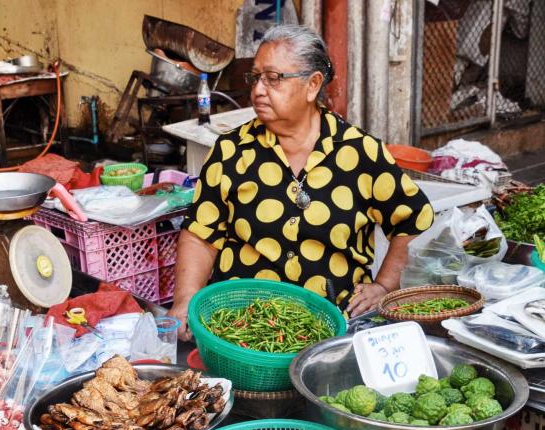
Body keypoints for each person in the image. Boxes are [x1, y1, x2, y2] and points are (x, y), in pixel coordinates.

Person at [170, 24, 434, 338]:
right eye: (255, 77)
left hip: (334, 325)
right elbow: (200, 234)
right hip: (242, 326)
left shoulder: (359, 152)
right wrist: (185, 300)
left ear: (312, 85)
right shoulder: (231, 151)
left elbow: (412, 220)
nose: (258, 90)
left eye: (273, 78)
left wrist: (384, 286)